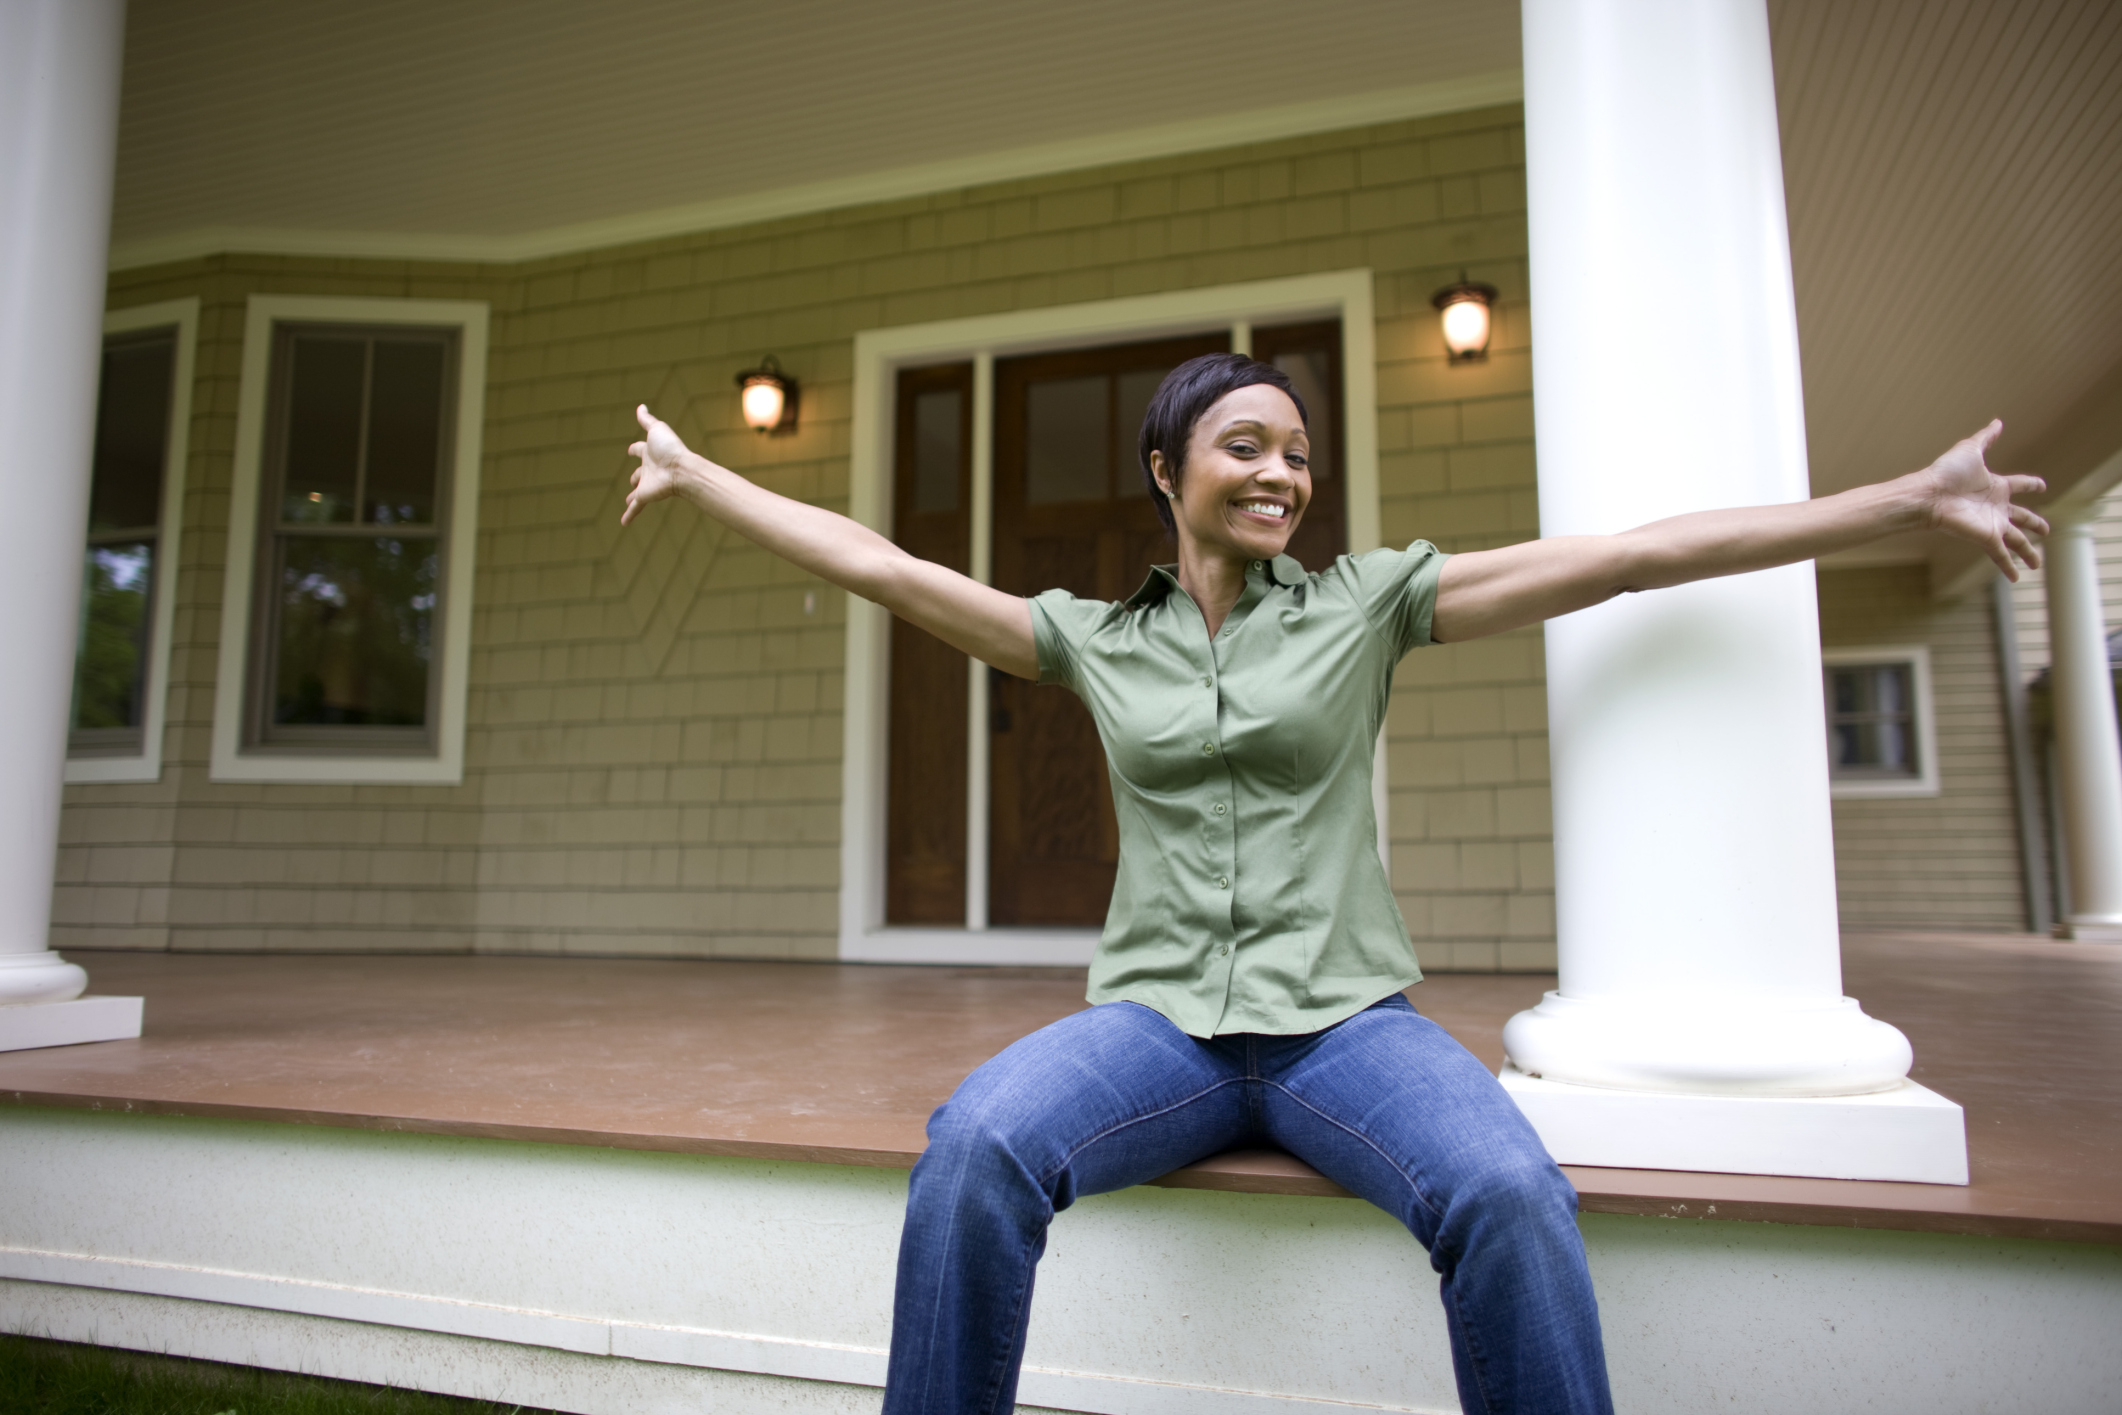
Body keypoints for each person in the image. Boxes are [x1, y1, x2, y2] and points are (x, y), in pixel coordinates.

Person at [622, 354, 2046, 1415]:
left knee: (1503, 1191)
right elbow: (878, 563)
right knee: (977, 1149)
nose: (1280, 476)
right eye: (1243, 447)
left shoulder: (1368, 604)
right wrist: (701, 476)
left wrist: (1902, 500)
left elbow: (1623, 558)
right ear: (1166, 471)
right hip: (1158, 1032)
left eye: (1297, 456)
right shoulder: (1091, 641)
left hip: (1344, 1030)